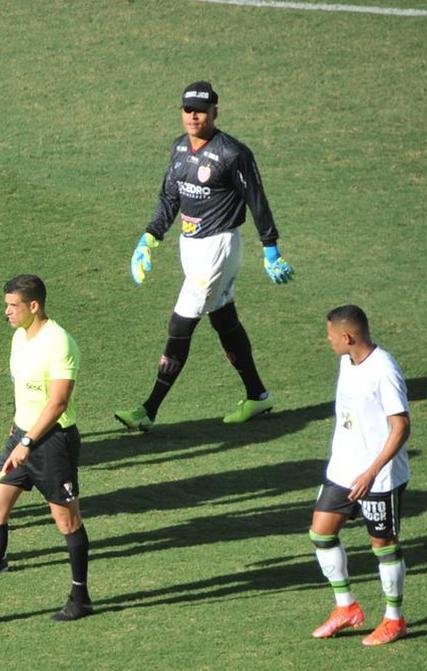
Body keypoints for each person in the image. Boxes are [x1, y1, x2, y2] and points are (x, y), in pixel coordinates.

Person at [114, 81, 294, 432]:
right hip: (191, 247)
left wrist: (270, 249)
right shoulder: (180, 148)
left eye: (201, 110)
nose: (193, 116)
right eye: (187, 109)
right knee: (223, 318)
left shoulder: (233, 153)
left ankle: (148, 410)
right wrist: (149, 238)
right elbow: (170, 198)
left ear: (214, 113)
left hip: (218, 247)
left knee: (181, 323)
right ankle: (258, 395)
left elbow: (257, 200)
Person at [0, 275, 91, 623]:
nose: (6, 312)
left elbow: (57, 403)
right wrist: (16, 434)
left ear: (33, 306)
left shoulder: (59, 343)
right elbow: (25, 394)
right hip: (21, 437)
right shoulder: (18, 337)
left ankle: (80, 597)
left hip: (53, 442)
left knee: (67, 521)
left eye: (13, 306)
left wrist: (27, 442)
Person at [308, 305, 410, 646]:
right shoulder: (346, 361)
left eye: (331, 335)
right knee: (321, 533)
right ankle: (346, 607)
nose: (328, 340)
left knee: (383, 545)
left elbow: (401, 427)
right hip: (342, 471)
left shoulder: (383, 370)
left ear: (347, 336)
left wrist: (372, 471)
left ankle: (394, 619)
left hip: (379, 477)